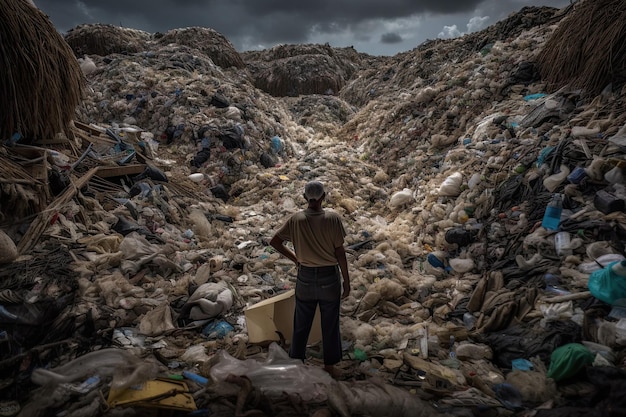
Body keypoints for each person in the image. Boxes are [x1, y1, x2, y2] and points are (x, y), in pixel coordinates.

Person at [269, 180, 351, 377]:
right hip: (329, 277)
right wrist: (346, 281)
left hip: (305, 277)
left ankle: (297, 363)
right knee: (329, 324)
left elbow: (275, 242)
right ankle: (329, 367)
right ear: (324, 196)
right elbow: (340, 252)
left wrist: (295, 259)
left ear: (305, 197)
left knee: (301, 324)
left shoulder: (296, 219)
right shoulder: (333, 219)